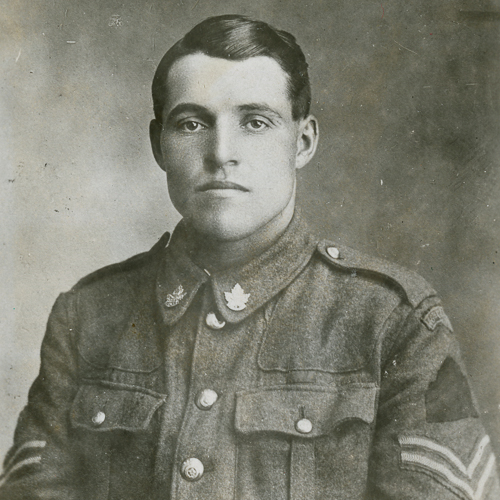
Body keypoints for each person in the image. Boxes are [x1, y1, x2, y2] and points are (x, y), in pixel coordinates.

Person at [0, 14, 498, 500]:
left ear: (302, 142)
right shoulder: (86, 317)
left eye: (255, 122)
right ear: (159, 146)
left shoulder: (393, 320)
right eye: (192, 123)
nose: (221, 152)